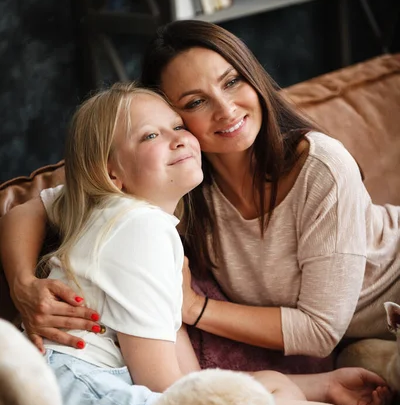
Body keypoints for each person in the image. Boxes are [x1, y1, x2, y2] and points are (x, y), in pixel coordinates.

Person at [0, 81, 390, 405]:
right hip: (77, 398)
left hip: (76, 392)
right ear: (113, 175)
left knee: (286, 400)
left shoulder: (123, 218)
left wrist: (316, 386)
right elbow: (167, 388)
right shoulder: (137, 227)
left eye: (177, 126)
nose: (179, 137)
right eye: (151, 135)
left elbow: (191, 381)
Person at [3, 21, 399, 363]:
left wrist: (193, 307)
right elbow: (28, 210)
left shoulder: (322, 166)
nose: (226, 110)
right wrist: (23, 284)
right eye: (196, 102)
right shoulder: (176, 174)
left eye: (232, 81)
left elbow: (318, 331)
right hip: (364, 340)